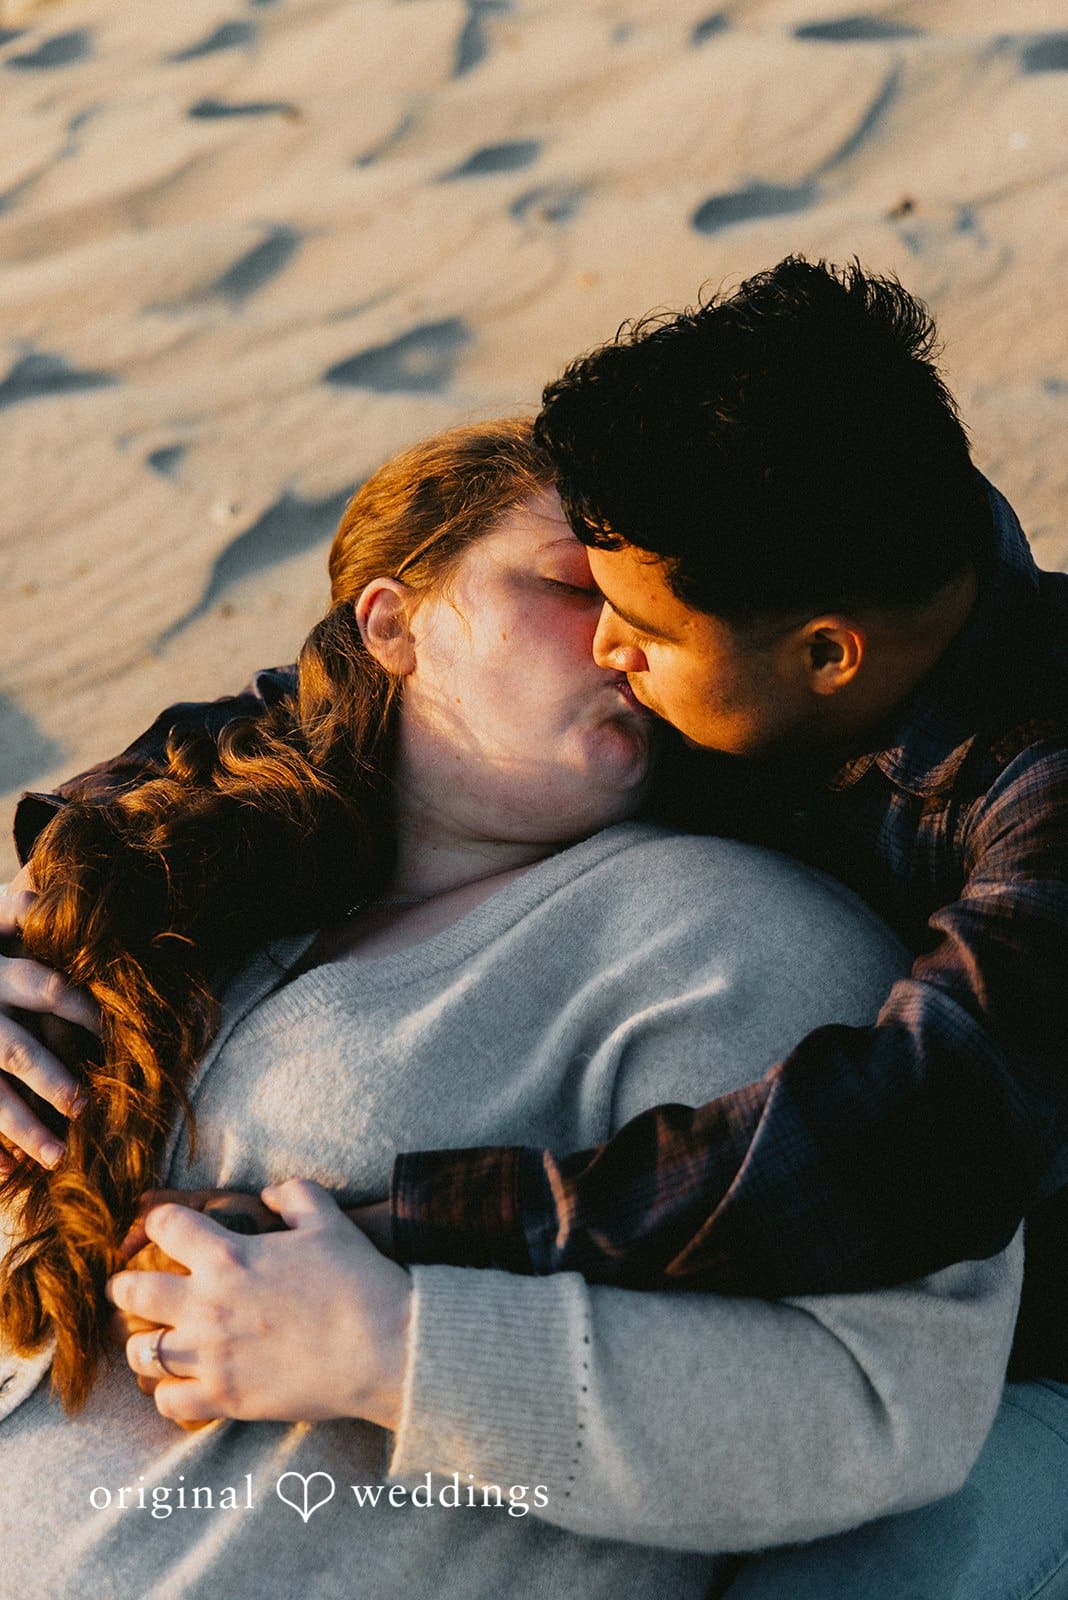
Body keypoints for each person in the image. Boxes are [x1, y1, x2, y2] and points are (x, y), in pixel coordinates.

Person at [0, 419, 1021, 1599]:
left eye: (666, 609)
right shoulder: (197, 905)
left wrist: (394, 1351)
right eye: (573, 584)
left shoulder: (725, 936)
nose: (628, 640)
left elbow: (884, 1395)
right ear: (394, 621)